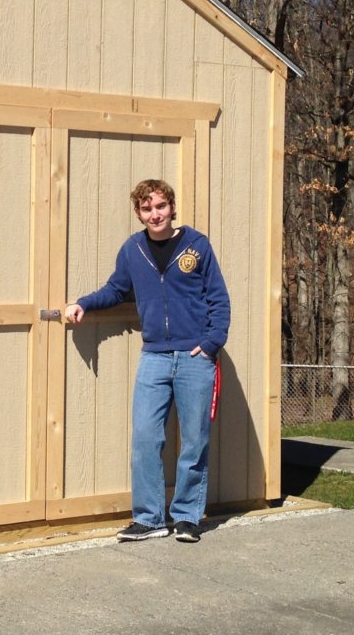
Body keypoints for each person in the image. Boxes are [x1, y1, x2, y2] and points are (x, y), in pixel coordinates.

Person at [64, 179, 230, 544]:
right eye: (146, 208)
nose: (155, 214)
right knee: (145, 438)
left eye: (160, 206)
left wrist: (211, 343)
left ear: (172, 207)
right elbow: (116, 289)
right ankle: (149, 518)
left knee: (194, 440)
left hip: (194, 357)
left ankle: (187, 517)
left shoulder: (196, 246)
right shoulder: (133, 250)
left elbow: (218, 298)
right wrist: (84, 303)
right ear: (138, 213)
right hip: (154, 355)